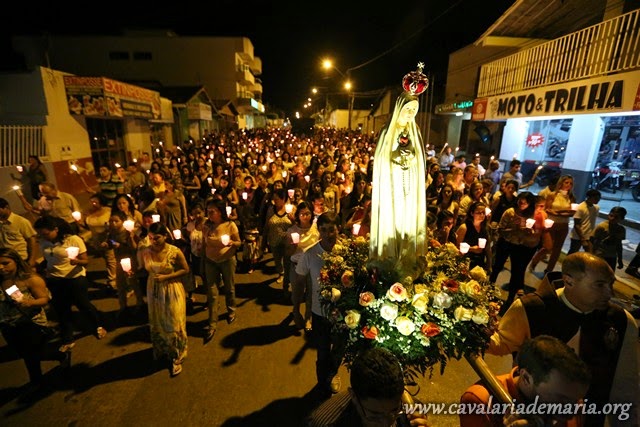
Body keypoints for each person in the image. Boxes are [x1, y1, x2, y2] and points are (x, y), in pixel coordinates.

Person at [488, 252, 639, 426]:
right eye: (599, 285)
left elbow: (625, 385)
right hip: (532, 413)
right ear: (569, 281)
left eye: (610, 284)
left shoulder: (621, 321)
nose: (609, 293)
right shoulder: (532, 308)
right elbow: (501, 343)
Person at [460, 335, 591, 427]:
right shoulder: (481, 402)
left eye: (576, 400)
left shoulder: (574, 401)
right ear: (527, 379)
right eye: (561, 399)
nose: (572, 409)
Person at [370, 64, 428, 261]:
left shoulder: (416, 132)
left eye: (414, 109)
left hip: (410, 187)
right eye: (408, 108)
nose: (411, 113)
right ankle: (388, 256)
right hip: (392, 185)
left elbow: (420, 161)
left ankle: (407, 256)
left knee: (406, 221)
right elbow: (381, 161)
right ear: (399, 108)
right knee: (392, 220)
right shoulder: (388, 133)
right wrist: (395, 160)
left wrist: (412, 162)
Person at [0, 248, 70, 390]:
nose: (1, 267)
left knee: (32, 354)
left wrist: (29, 302)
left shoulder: (31, 279)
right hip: (7, 324)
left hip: (30, 322)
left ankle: (37, 381)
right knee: (23, 352)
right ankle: (59, 356)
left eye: (5, 263)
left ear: (16, 261)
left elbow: (44, 299)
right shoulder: (2, 281)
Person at [34, 216, 107, 352]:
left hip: (75, 278)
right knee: (61, 309)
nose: (43, 237)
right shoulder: (44, 242)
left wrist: (77, 262)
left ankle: (97, 325)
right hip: (54, 279)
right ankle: (67, 338)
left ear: (55, 229)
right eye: (40, 234)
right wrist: (39, 267)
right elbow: (48, 258)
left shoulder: (73, 240)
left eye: (45, 233)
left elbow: (85, 261)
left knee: (83, 305)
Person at [306, 347, 429, 426]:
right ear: (353, 396)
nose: (386, 424)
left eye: (394, 410)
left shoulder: (412, 412)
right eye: (375, 415)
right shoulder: (324, 423)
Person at [294, 211, 343, 398]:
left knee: (339, 348)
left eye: (332, 229)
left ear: (338, 229)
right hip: (319, 313)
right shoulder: (310, 254)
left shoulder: (346, 252)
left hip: (343, 314)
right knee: (322, 352)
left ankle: (332, 374)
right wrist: (296, 310)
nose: (328, 234)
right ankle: (322, 383)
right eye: (323, 230)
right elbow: (298, 283)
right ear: (318, 231)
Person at [135, 222, 189, 377]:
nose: (153, 241)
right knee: (158, 320)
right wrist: (131, 272)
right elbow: (141, 269)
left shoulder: (175, 251)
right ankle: (162, 349)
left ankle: (177, 356)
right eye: (151, 238)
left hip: (172, 289)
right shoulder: (145, 252)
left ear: (165, 236)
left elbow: (185, 269)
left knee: (174, 320)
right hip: (154, 289)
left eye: (157, 237)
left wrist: (167, 276)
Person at [489, 192, 541, 313]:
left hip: (519, 246)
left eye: (524, 203)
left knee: (516, 271)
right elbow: (500, 230)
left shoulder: (530, 215)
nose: (521, 204)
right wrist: (514, 229)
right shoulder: (510, 212)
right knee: (497, 266)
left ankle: (510, 298)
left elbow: (533, 231)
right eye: (520, 201)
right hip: (506, 243)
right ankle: (489, 289)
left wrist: (530, 232)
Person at [201, 199, 241, 344]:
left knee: (229, 287)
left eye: (212, 211)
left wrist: (232, 243)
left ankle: (231, 309)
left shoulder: (230, 225)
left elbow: (239, 242)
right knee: (212, 293)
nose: (209, 214)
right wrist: (202, 259)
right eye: (208, 211)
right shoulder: (206, 226)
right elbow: (203, 242)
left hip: (227, 260)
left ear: (220, 212)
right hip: (210, 261)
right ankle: (212, 323)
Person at [529, 175, 576, 275]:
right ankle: (534, 262)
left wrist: (558, 212)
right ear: (561, 183)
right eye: (566, 182)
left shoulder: (571, 197)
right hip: (551, 224)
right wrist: (563, 212)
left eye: (571, 183)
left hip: (564, 225)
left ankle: (549, 270)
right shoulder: (553, 195)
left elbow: (572, 212)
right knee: (548, 246)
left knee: (557, 249)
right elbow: (549, 209)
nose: (568, 185)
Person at [286, 201, 319, 331]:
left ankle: (308, 318)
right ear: (297, 215)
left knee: (311, 293)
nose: (305, 216)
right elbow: (287, 253)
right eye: (302, 214)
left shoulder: (315, 229)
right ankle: (295, 312)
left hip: (312, 266)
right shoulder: (292, 230)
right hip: (297, 265)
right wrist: (293, 246)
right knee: (297, 293)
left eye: (307, 213)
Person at [104, 210, 143, 317]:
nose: (113, 223)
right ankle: (123, 306)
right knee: (120, 284)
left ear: (122, 221)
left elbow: (134, 248)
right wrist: (108, 244)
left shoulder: (129, 232)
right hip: (119, 261)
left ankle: (140, 303)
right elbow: (111, 241)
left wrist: (122, 245)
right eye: (111, 221)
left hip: (131, 260)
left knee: (134, 283)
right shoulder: (111, 233)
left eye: (116, 221)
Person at [0, 198, 38, 267]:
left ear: (6, 207)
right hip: (4, 260)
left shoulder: (21, 221)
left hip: (20, 260)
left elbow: (31, 241)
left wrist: (32, 259)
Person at [591, 206, 627, 271]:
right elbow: (592, 240)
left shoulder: (621, 229)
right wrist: (591, 254)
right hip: (600, 255)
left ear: (622, 218)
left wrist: (620, 259)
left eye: (616, 217)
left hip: (612, 256)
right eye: (611, 215)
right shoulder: (601, 226)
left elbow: (619, 244)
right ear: (608, 214)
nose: (612, 218)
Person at [567, 189, 601, 254]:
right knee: (573, 252)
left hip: (589, 235)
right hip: (577, 236)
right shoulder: (581, 207)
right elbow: (577, 224)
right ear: (589, 197)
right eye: (595, 198)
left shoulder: (596, 208)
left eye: (598, 199)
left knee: (589, 253)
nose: (597, 200)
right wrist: (582, 238)